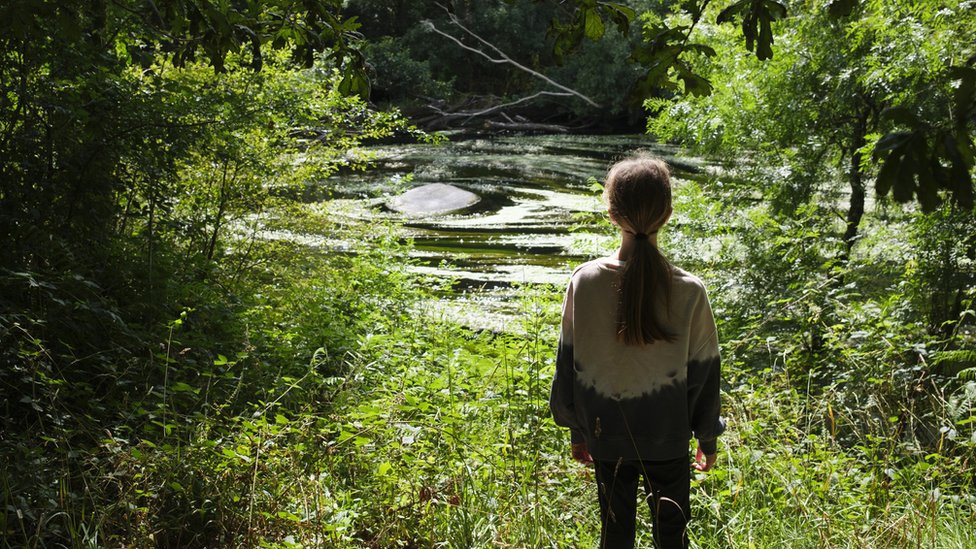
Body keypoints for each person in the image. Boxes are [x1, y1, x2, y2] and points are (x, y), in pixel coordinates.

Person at [549, 156, 724, 549]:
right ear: (667, 214)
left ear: (611, 213)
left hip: (605, 435)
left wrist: (577, 430)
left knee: (614, 537)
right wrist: (707, 438)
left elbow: (569, 366)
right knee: (671, 538)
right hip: (668, 437)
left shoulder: (585, 281)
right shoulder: (690, 290)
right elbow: (704, 377)